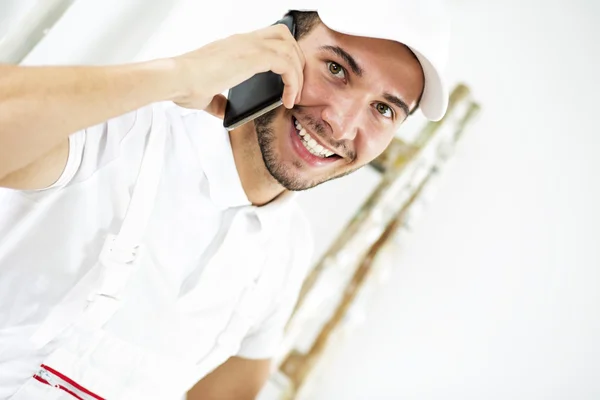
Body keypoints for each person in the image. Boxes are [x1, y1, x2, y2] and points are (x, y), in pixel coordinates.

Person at [0, 1, 450, 399]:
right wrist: (180, 74)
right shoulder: (125, 133)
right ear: (279, 41)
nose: (342, 125)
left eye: (384, 109)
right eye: (336, 69)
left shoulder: (288, 248)